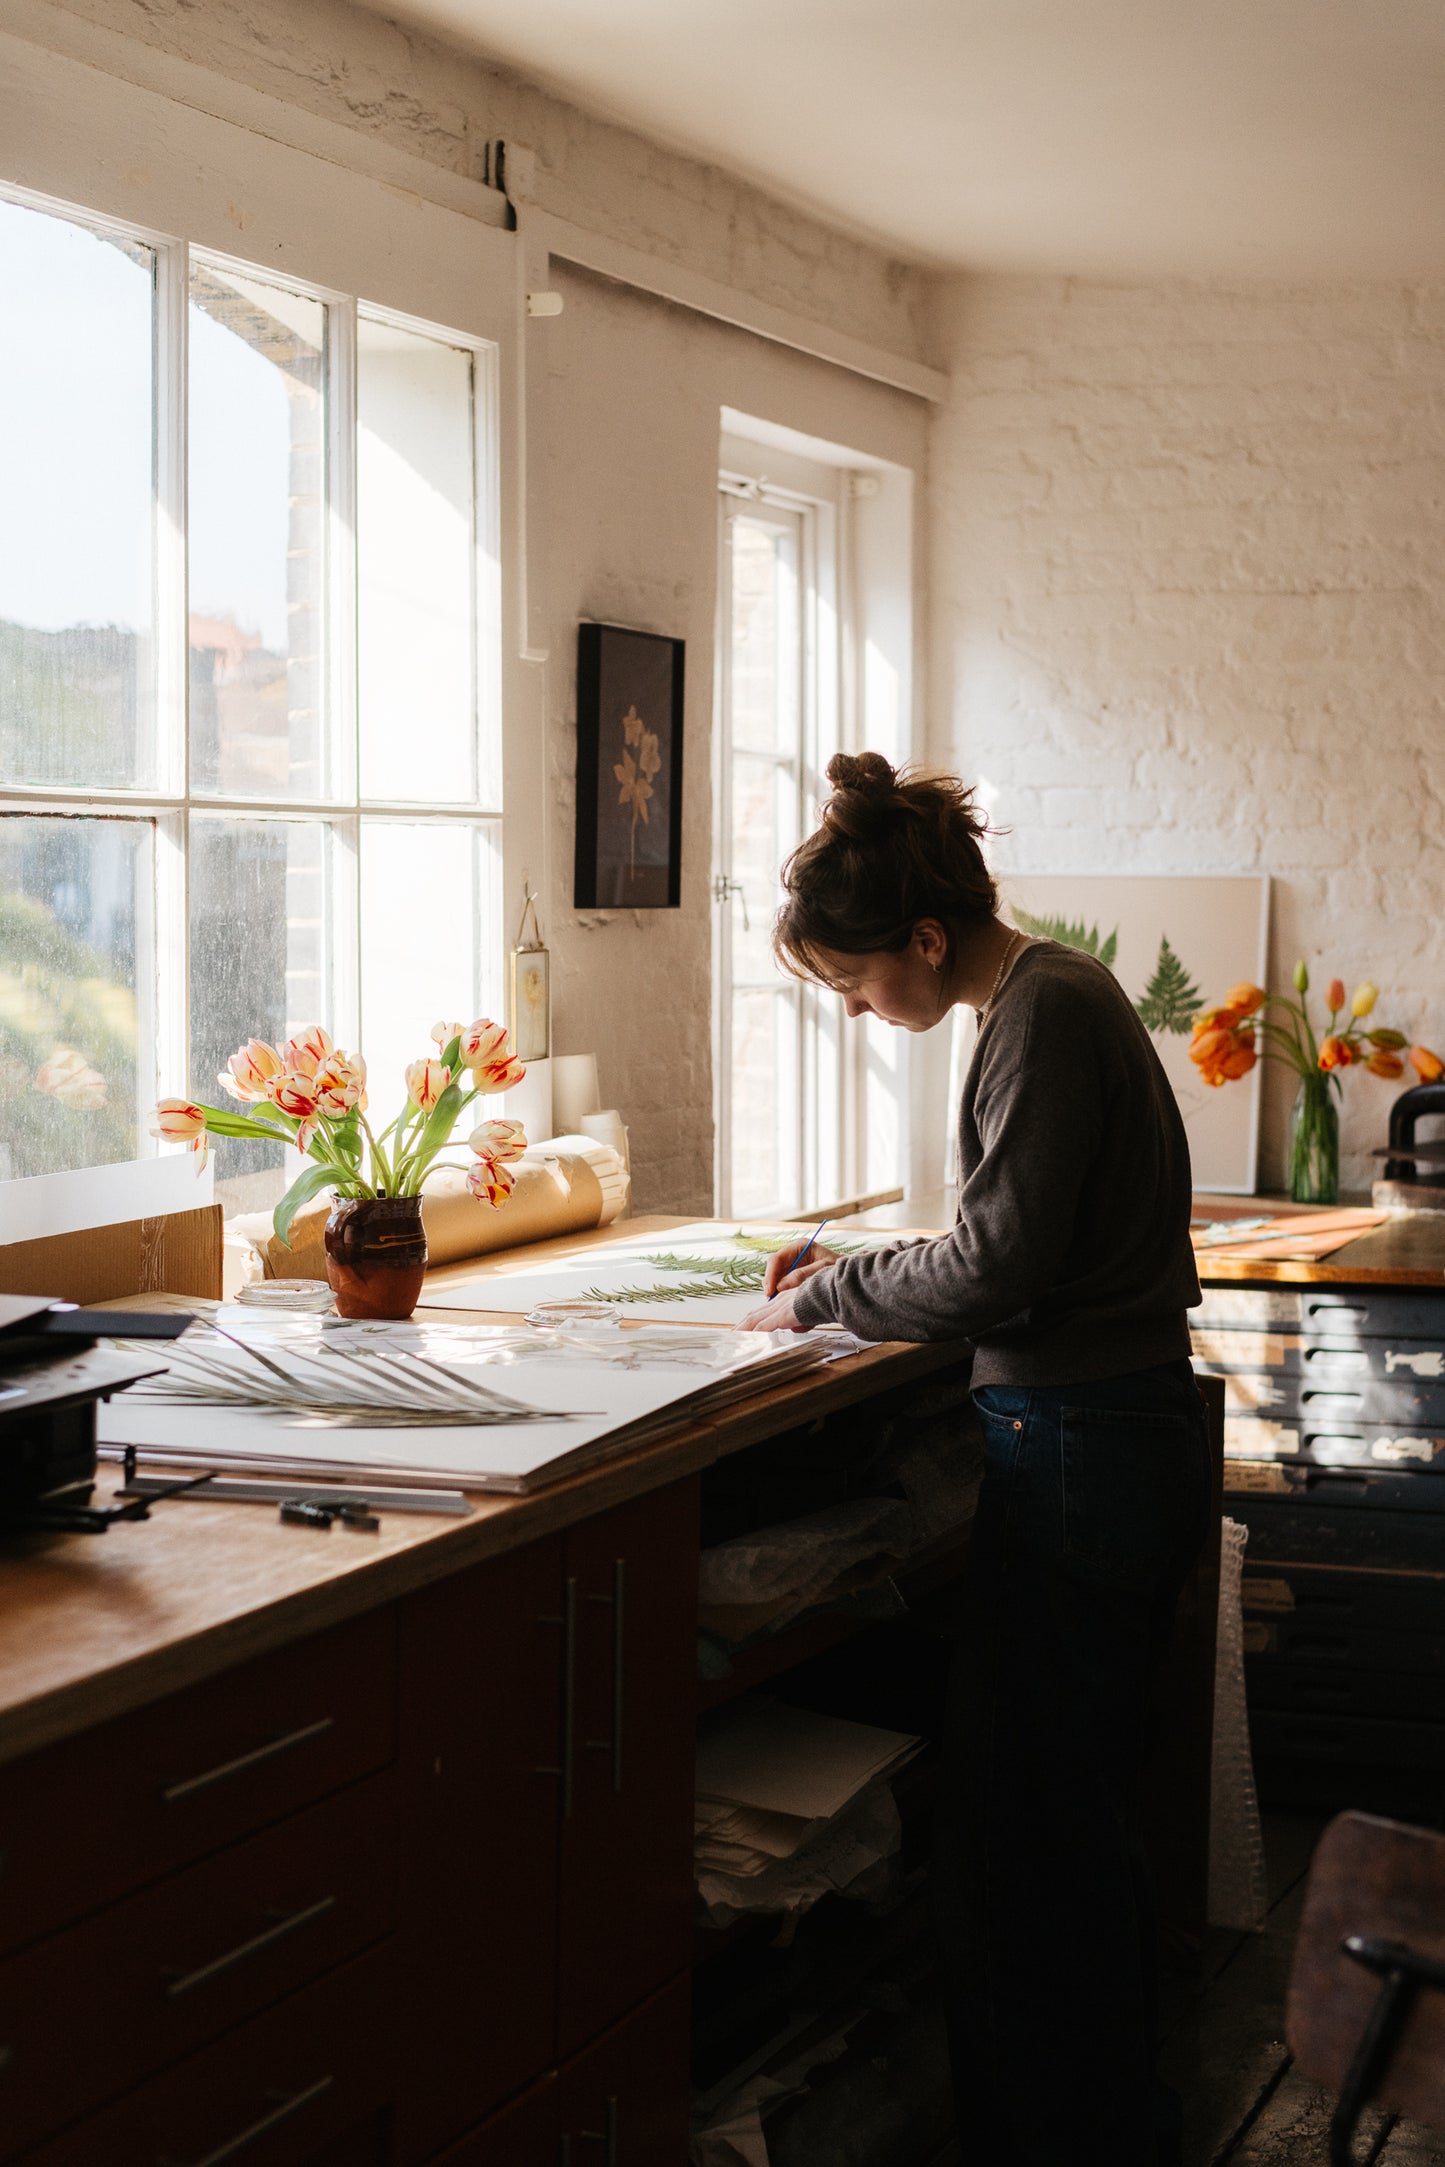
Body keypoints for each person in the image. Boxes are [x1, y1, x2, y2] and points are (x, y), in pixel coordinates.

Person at [740, 750, 1209, 2167]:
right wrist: (856, 1261)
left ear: (926, 938)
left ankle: (1065, 2139)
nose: (858, 1009)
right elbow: (1007, 1238)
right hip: (1093, 1428)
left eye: (854, 980)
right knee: (1053, 1814)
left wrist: (820, 1294)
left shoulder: (1042, 1012)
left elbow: (996, 1266)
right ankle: (1096, 2121)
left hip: (1077, 1440)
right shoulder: (1037, 998)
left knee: (1031, 1836)